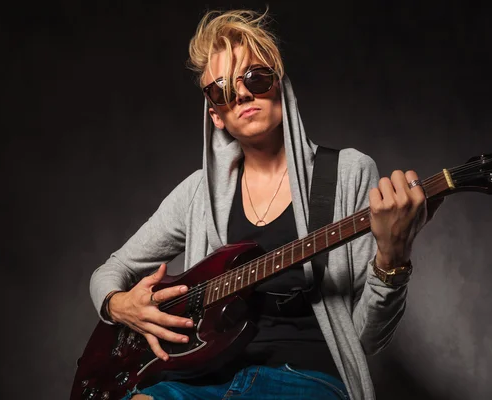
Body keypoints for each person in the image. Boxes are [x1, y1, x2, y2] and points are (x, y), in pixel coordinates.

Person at [89, 8, 443, 400]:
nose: (240, 93)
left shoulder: (347, 173)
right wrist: (118, 304)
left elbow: (366, 338)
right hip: (203, 380)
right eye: (221, 89)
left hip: (306, 382)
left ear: (280, 86)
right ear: (216, 115)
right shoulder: (197, 193)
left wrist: (392, 259)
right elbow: (112, 270)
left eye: (254, 77)